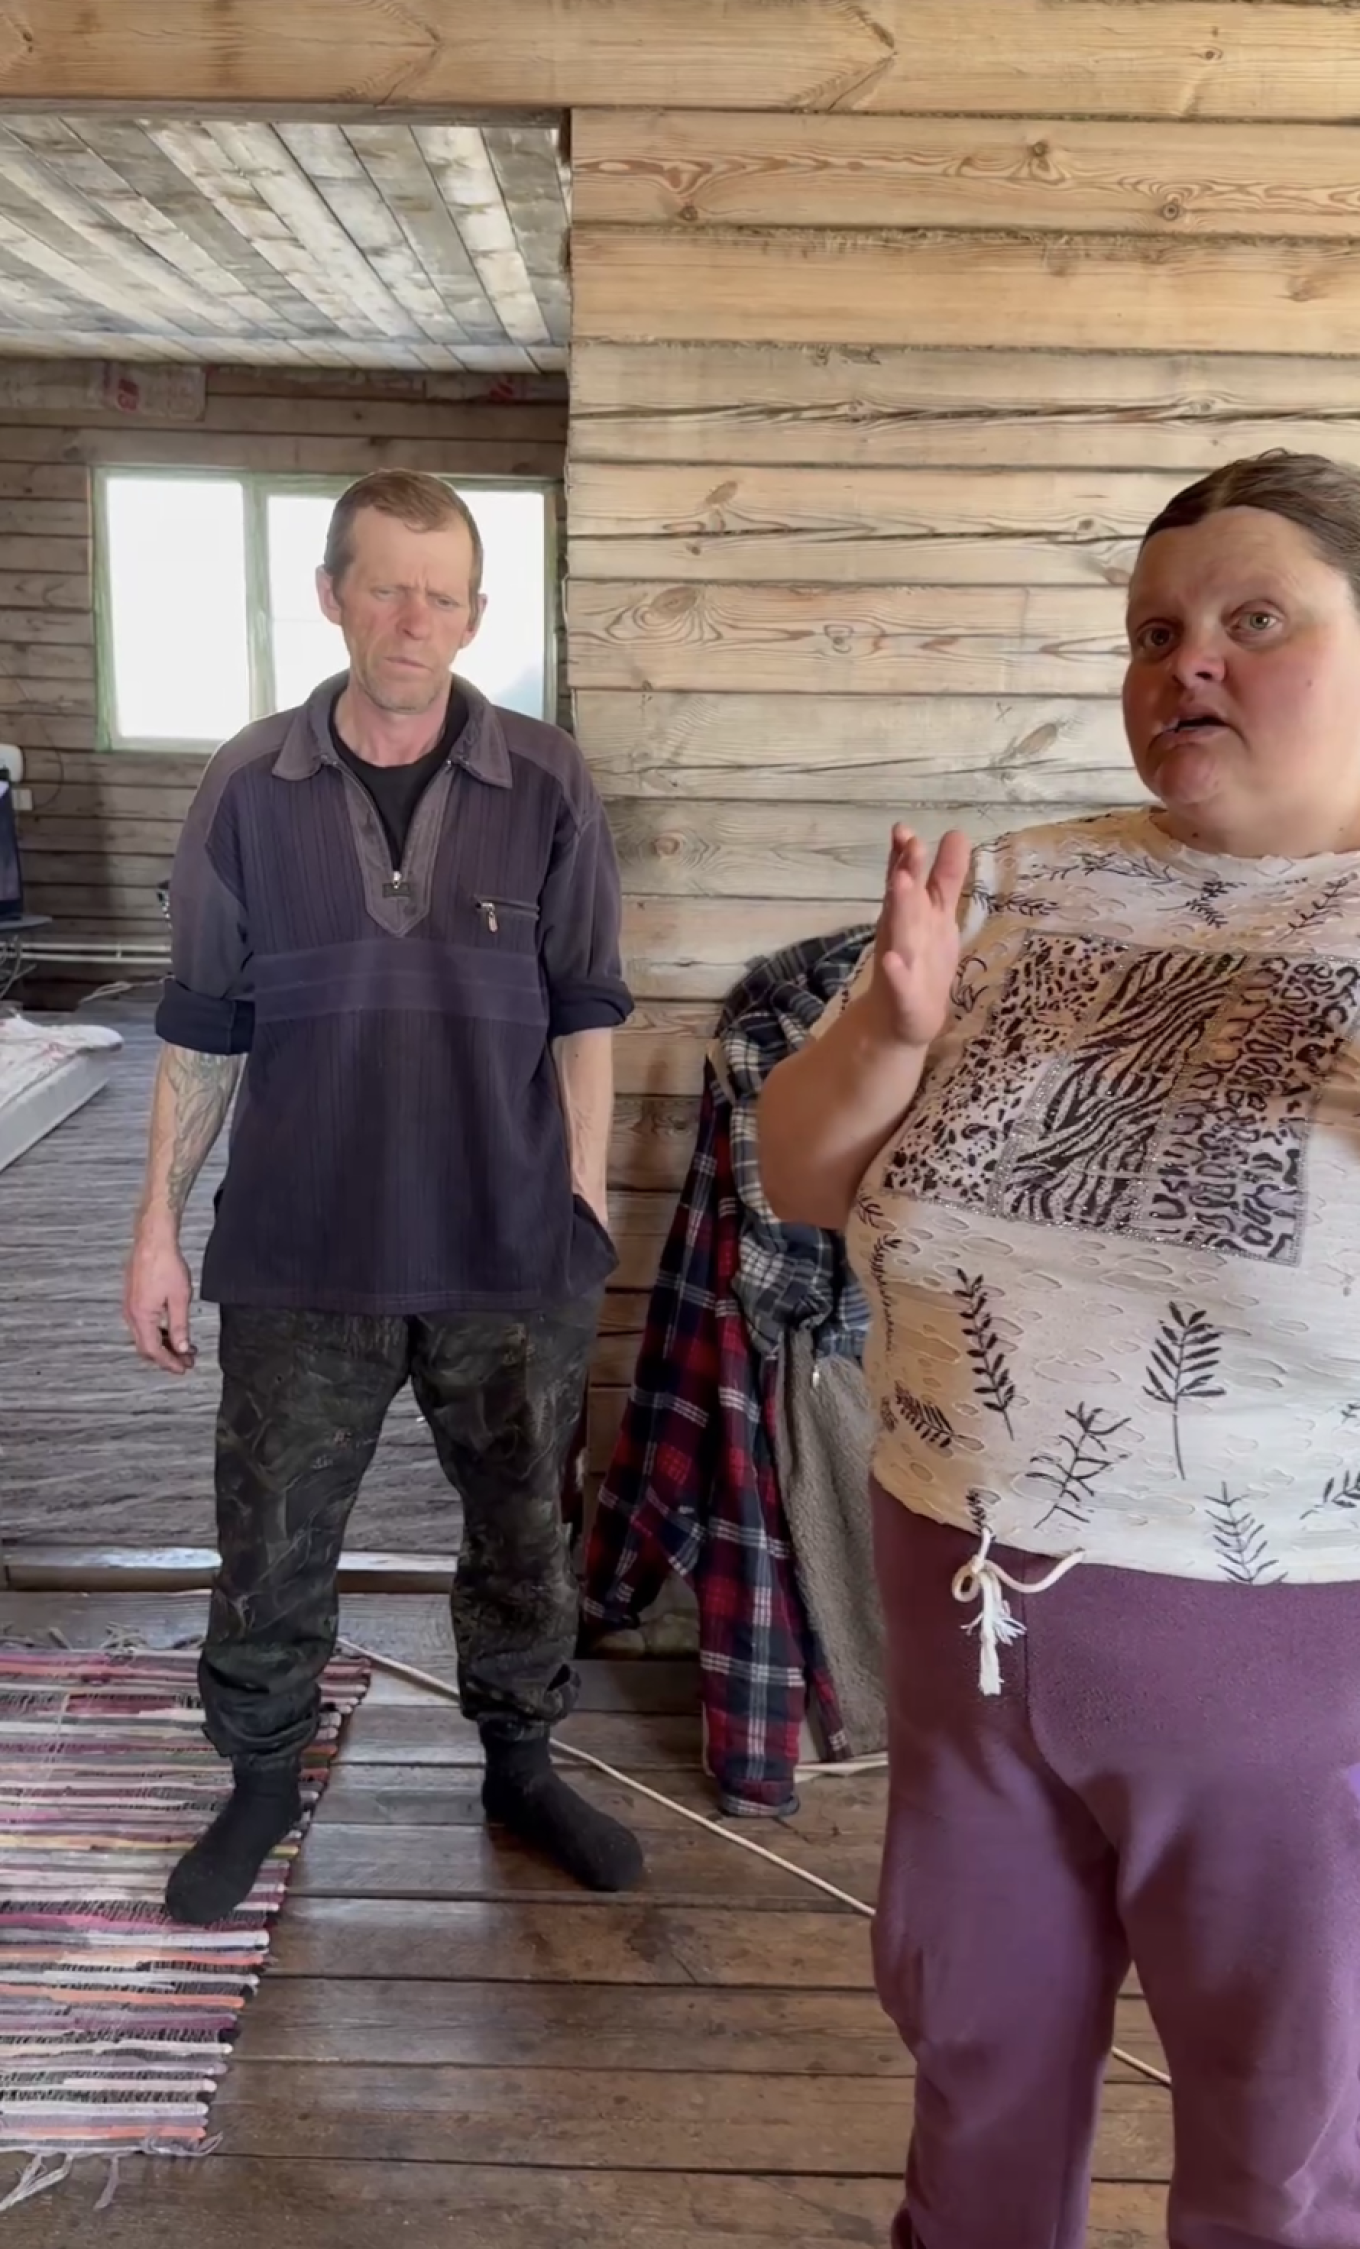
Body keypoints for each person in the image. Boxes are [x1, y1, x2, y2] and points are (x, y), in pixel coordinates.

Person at [757, 450, 1360, 2249]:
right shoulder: (1041, 883)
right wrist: (893, 1020)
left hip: (1275, 1657)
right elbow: (806, 1175)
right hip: (960, 1604)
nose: (1190, 663)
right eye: (1155, 631)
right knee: (980, 2063)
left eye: (1258, 622)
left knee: (1287, 2127)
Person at [124, 468, 644, 1923]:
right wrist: (156, 1227)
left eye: (445, 593)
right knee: (272, 1532)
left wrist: (585, 1200)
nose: (415, 619)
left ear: (476, 614)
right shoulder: (246, 783)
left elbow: (585, 1009)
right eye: (386, 585)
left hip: (508, 1239)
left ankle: (523, 1762)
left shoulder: (546, 780)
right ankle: (261, 1777)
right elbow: (200, 1024)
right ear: (332, 596)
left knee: (525, 1525)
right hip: (301, 1246)